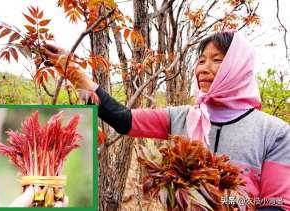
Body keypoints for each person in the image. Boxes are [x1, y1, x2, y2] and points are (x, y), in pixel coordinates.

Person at [41, 31, 290, 211]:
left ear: (238, 67)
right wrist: (73, 71)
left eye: (217, 60)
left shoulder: (274, 132)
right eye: (201, 60)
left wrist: (224, 202)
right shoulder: (182, 117)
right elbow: (123, 119)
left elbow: (278, 204)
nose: (203, 67)